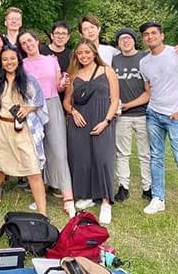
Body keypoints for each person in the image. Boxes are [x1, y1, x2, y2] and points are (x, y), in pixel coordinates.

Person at [138, 21, 178, 222]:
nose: (150, 37)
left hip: (175, 117)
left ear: (162, 35)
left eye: (154, 33)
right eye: (146, 34)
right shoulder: (144, 62)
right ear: (144, 39)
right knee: (156, 157)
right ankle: (158, 198)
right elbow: (149, 88)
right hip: (154, 115)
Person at [0, 46, 51, 216]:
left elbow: (39, 102)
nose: (9, 62)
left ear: (18, 60)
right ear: (1, 63)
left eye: (12, 58)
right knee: (0, 164)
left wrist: (29, 109)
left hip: (23, 128)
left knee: (33, 168)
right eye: (5, 59)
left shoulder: (29, 81)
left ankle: (42, 212)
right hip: (2, 127)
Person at [19, 31, 76, 217]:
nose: (28, 44)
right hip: (33, 107)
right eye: (23, 43)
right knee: (38, 150)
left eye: (30, 40)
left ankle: (68, 197)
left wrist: (64, 83)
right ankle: (40, 193)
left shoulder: (51, 60)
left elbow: (59, 85)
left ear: (37, 41)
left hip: (52, 104)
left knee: (59, 150)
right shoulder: (22, 65)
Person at [63, 40, 119, 225]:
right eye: (80, 53)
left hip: (102, 119)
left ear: (94, 53)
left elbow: (114, 100)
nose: (84, 56)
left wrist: (106, 121)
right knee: (82, 159)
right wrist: (74, 112)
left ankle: (105, 201)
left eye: (87, 52)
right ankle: (87, 195)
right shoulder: (74, 75)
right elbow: (67, 102)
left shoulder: (107, 71)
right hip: (80, 122)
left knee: (104, 159)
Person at [111, 28, 152, 202]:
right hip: (122, 115)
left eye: (128, 38)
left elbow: (148, 92)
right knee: (122, 153)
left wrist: (129, 104)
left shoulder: (144, 58)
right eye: (121, 39)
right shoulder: (115, 60)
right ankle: (123, 186)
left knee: (145, 153)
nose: (125, 41)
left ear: (135, 40)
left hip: (143, 114)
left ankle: (148, 187)